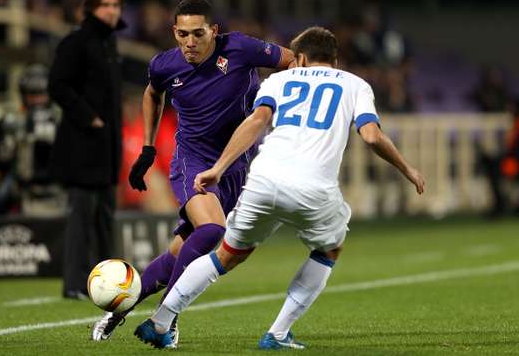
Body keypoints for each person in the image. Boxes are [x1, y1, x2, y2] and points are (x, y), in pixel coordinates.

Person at [132, 26, 425, 349]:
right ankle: (278, 333)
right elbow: (370, 136)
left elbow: (256, 122)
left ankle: (162, 320)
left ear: (299, 58)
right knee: (329, 248)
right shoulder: (356, 85)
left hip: (263, 180)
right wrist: (407, 168)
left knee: (226, 255)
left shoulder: (278, 80)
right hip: (313, 188)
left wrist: (218, 168)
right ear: (335, 60)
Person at [91, 0, 294, 341]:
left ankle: (119, 309)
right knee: (213, 229)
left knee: (177, 254)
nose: (189, 42)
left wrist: (282, 104)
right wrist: (148, 148)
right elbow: (152, 94)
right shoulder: (164, 65)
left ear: (214, 31)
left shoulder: (242, 48)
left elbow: (292, 60)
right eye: (182, 34)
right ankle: (165, 318)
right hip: (193, 162)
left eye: (197, 34)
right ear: (174, 32)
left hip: (235, 167)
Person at [48, 0, 125, 300]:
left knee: (105, 216)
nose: (112, 10)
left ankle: (105, 281)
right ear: (91, 8)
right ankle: (75, 283)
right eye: (106, 4)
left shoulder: (110, 43)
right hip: (81, 145)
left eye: (116, 5)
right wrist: (88, 116)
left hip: (105, 147)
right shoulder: (76, 41)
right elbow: (58, 85)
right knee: (81, 216)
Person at [0, 63, 60, 215]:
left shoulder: (61, 120)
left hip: (59, 186)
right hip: (19, 185)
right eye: (32, 95)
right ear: (24, 95)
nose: (38, 100)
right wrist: (10, 149)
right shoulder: (10, 121)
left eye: (42, 94)